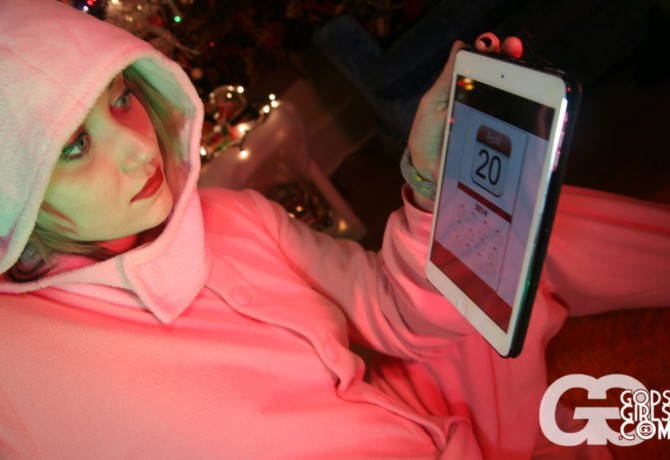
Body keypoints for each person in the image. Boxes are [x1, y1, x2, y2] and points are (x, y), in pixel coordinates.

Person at [0, 0, 668, 458]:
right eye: (73, 146)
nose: (137, 148)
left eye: (122, 98)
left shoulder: (231, 215)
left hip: (424, 414)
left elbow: (389, 310)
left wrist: (432, 181)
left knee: (504, 217)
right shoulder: (19, 369)